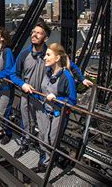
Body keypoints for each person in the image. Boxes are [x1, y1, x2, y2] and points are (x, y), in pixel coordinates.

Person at [10, 21, 92, 158]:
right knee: (26, 122)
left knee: (44, 130)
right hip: (27, 95)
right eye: (33, 32)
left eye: (39, 33)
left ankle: (45, 153)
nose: (34, 35)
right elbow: (13, 74)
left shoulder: (51, 55)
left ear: (46, 38)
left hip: (43, 100)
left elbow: (69, 64)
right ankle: (26, 142)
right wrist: (22, 84)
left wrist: (82, 79)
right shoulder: (24, 54)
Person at [31, 43, 77, 173]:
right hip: (46, 111)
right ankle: (45, 162)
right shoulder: (48, 72)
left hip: (58, 114)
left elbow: (73, 100)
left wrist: (58, 99)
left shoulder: (66, 76)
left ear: (57, 58)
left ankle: (49, 162)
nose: (45, 57)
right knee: (43, 137)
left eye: (48, 55)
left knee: (51, 140)